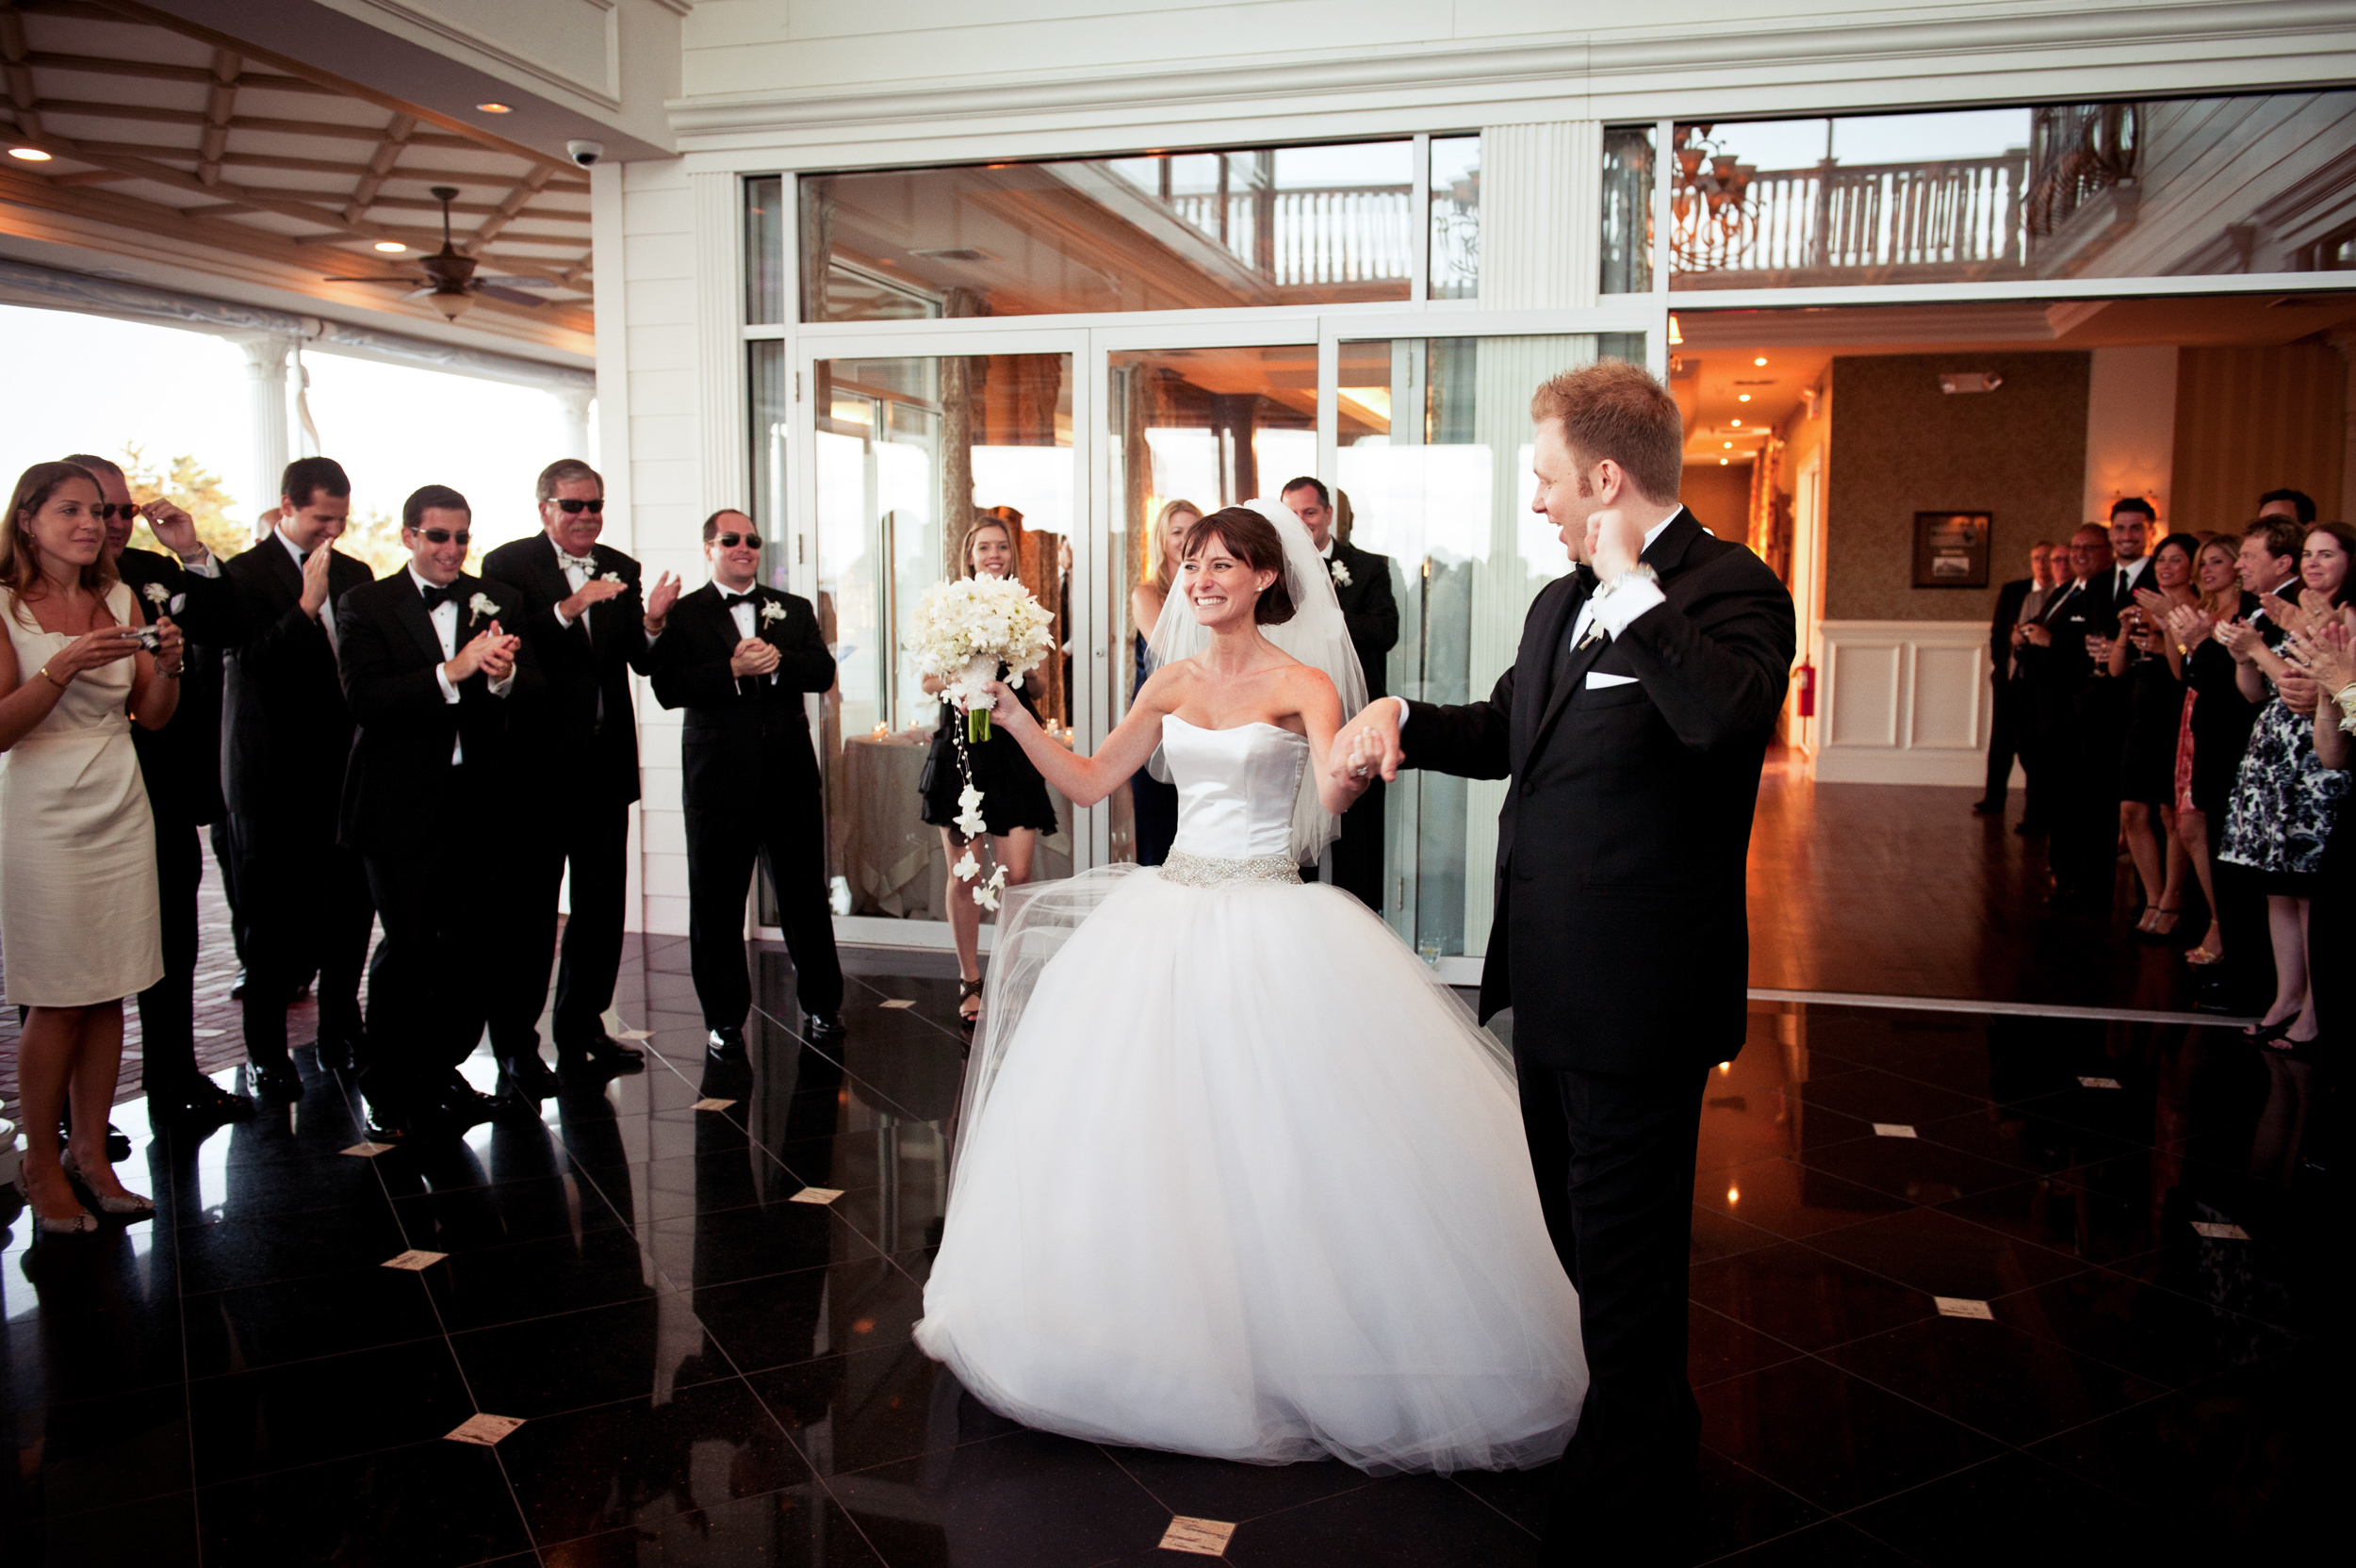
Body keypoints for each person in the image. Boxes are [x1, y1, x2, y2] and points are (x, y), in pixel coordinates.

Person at [917, 500, 1587, 1475]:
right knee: (1150, 1133)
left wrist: (1355, 765)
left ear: (1268, 578)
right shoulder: (1172, 678)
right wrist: (1013, 711)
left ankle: (1292, 1344)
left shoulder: (1304, 681)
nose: (1203, 580)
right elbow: (1094, 780)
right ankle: (1146, 1333)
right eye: (1193, 565)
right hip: (1168, 912)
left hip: (1271, 912)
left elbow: (1326, 799)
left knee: (1281, 1138)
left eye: (1224, 564)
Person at [1338, 360, 1793, 1560]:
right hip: (1546, 975)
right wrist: (1405, 722)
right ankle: (1647, 1432)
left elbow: (1727, 718)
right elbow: (1506, 732)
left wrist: (1637, 592)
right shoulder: (1553, 605)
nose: (1534, 501)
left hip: (1641, 987)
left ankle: (1628, 1492)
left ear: (1603, 476)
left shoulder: (1732, 588)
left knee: (1629, 1252)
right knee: (1584, 1237)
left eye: (1543, 477)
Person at [0, 462, 185, 1232]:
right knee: (58, 996)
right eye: (70, 510)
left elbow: (152, 714)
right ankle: (40, 1161)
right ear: (28, 520)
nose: (88, 523)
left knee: (111, 988)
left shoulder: (116, 596)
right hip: (41, 812)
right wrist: (60, 665)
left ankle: (91, 1155)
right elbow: (3, 727)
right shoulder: (5, 604)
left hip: (119, 801)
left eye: (99, 511)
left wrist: (170, 661)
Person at [336, 485, 539, 1138]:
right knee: (411, 944)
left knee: (475, 945)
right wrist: (451, 671)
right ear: (408, 537)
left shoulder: (499, 601)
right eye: (437, 537)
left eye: (460, 537)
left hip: (478, 801)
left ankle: (441, 1066)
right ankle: (387, 1082)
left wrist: (504, 676)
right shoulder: (365, 604)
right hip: (396, 806)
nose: (451, 549)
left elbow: (528, 689)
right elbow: (366, 699)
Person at [480, 459, 679, 1093]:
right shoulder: (506, 566)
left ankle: (582, 1026)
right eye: (574, 506)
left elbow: (641, 663)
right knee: (530, 912)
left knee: (600, 906)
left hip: (604, 765)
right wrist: (569, 607)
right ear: (546, 509)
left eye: (595, 505)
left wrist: (652, 620)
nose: (587, 516)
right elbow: (511, 647)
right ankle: (515, 1044)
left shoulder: (620, 564)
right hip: (535, 769)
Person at [69, 452, 250, 1125]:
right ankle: (71, 1114)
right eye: (97, 509)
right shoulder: (29, 591)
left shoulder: (151, 573)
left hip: (161, 788)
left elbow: (229, 626)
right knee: (75, 956)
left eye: (121, 510)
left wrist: (193, 551)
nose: (113, 522)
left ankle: (175, 1077)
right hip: (76, 795)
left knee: (173, 940)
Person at [647, 510, 843, 1055]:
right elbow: (665, 685)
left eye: (752, 540)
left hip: (788, 776)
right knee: (716, 900)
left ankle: (824, 1005)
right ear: (708, 547)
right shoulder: (685, 616)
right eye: (731, 540)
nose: (743, 548)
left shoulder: (795, 609)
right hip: (717, 780)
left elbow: (822, 672)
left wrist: (777, 662)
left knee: (804, 894)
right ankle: (724, 1018)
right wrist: (731, 671)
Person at [222, 457, 375, 1100]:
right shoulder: (241, 575)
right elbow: (250, 665)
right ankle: (265, 1052)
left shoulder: (356, 573)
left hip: (344, 771)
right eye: (320, 520)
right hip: (273, 778)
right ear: (286, 506)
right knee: (273, 921)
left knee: (348, 911)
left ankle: (342, 1027)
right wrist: (305, 607)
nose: (330, 533)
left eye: (339, 521)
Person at [2215, 520, 2356, 1052]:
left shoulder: (2346, 618)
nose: (2315, 564)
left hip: (2320, 759)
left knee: (2313, 892)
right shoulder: (2295, 613)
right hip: (2283, 749)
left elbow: (2320, 689)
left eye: (2328, 555)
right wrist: (2242, 653)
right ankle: (2287, 995)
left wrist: (2260, 649)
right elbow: (2258, 691)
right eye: (2310, 554)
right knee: (2279, 884)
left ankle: (2317, 1008)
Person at [916, 514, 1060, 1025]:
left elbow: (1039, 687)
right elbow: (928, 681)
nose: (993, 554)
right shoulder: (948, 608)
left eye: (1001, 546)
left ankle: (1010, 976)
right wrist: (964, 670)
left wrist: (1015, 659)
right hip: (961, 749)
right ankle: (969, 978)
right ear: (969, 556)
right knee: (966, 872)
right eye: (984, 547)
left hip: (1013, 747)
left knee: (1017, 877)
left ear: (1011, 555)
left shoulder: (1024, 609)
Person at [1281, 475, 1398, 910]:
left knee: (1358, 834)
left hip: (1357, 718)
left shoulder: (1369, 567)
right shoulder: (1275, 572)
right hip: (1294, 721)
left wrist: (1334, 622)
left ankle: (1359, 924)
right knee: (1298, 827)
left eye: (1309, 512)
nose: (1302, 522)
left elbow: (1387, 631)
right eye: (1292, 514)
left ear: (1328, 514)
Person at [2021, 524, 2120, 907]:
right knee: (2058, 794)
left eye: (2088, 548)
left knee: (2078, 797)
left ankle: (2078, 877)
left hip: (2077, 710)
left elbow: (2093, 646)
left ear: (2106, 551)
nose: (2079, 555)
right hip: (2048, 709)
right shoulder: (2065, 591)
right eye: (2075, 548)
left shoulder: (2101, 594)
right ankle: (2061, 869)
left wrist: (2051, 640)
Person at [2165, 535, 2250, 967]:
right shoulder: (2205, 612)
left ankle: (2223, 924)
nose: (2207, 571)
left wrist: (2198, 641)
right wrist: (2177, 635)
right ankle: (2218, 917)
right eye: (2203, 563)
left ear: (2238, 565)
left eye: (2217, 561)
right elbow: (2184, 669)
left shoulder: (2245, 613)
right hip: (2194, 715)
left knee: (2207, 824)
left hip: (2227, 720)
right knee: (2189, 824)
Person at [2111, 532, 2201, 937]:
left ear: (2192, 567)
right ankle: (2150, 895)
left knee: (2170, 815)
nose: (2165, 568)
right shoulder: (2142, 606)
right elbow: (2117, 668)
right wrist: (2125, 633)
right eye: (2161, 560)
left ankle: (2172, 898)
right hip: (2140, 717)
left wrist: (2167, 631)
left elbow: (2186, 664)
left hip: (2175, 715)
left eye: (2176, 560)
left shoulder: (2199, 608)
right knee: (2131, 811)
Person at [1127, 498, 1200, 867]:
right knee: (1157, 836)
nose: (1185, 538)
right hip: (1155, 726)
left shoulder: (1211, 590)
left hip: (1204, 722)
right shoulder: (1146, 594)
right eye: (1177, 531)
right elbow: (1170, 652)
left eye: (1193, 529)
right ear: (1162, 539)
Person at [1976, 544, 2043, 817]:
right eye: (2037, 558)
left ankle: (2036, 810)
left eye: (2047, 559)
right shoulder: (2013, 590)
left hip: (2039, 685)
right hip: (2007, 679)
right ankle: (1993, 799)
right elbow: (1997, 632)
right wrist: (2002, 668)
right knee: (2001, 740)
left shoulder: (2063, 594)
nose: (2042, 564)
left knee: (2032, 747)